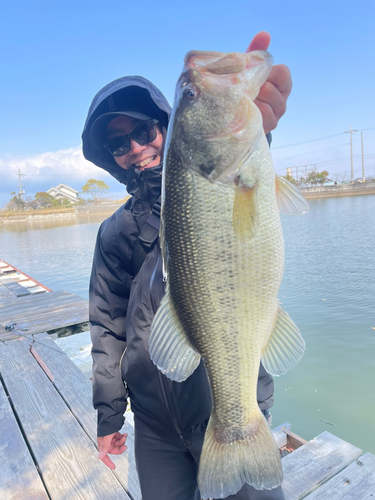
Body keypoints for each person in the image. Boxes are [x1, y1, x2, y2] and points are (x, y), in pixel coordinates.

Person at [82, 31, 292, 500]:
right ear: (112, 159)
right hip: (155, 428)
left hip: (226, 404)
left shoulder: (204, 182)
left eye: (142, 130)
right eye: (119, 144)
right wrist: (110, 416)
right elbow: (106, 325)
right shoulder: (114, 233)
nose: (134, 147)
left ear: (166, 125)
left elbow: (232, 183)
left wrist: (261, 131)